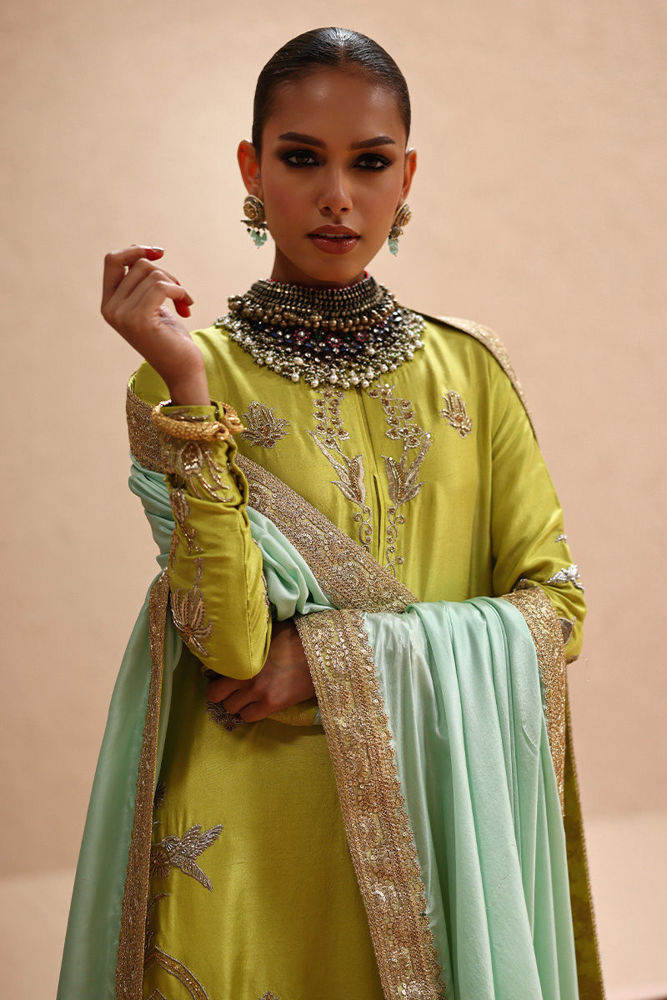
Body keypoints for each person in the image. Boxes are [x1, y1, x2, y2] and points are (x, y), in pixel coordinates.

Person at [58, 26, 605, 1000]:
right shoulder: (185, 375)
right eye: (302, 158)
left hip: (440, 834)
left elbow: (556, 612)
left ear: (408, 175)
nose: (338, 195)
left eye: (370, 162)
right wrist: (185, 383)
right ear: (251, 168)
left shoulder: (470, 372)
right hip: (250, 838)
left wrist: (331, 659)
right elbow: (228, 642)